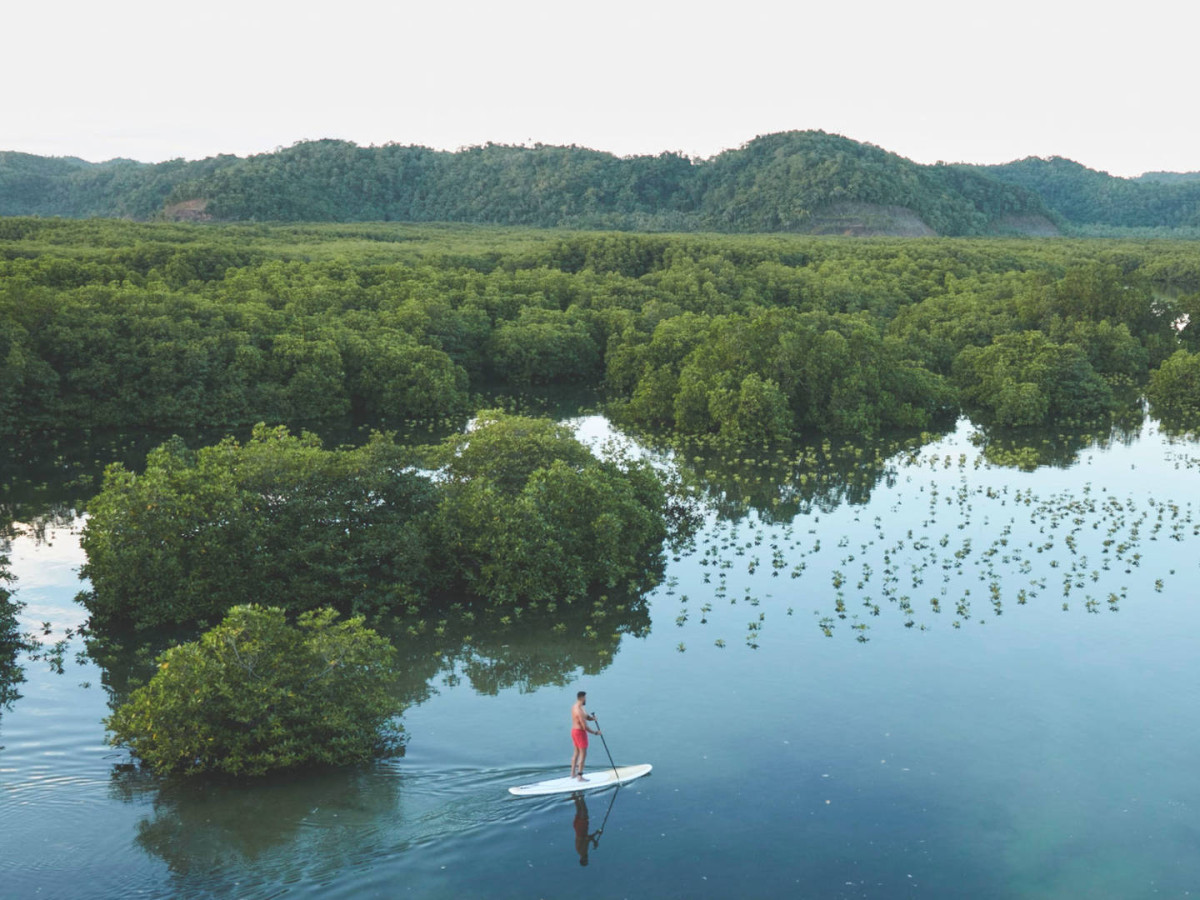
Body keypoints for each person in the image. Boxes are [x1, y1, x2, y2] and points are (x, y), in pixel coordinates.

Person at [570, 690, 600, 781]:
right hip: (580, 732)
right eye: (585, 698)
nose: (586, 699)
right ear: (582, 698)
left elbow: (586, 716)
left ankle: (572, 774)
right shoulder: (579, 710)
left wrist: (592, 718)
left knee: (576, 753)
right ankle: (580, 776)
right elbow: (584, 727)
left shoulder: (576, 706)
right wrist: (595, 732)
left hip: (574, 731)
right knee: (583, 754)